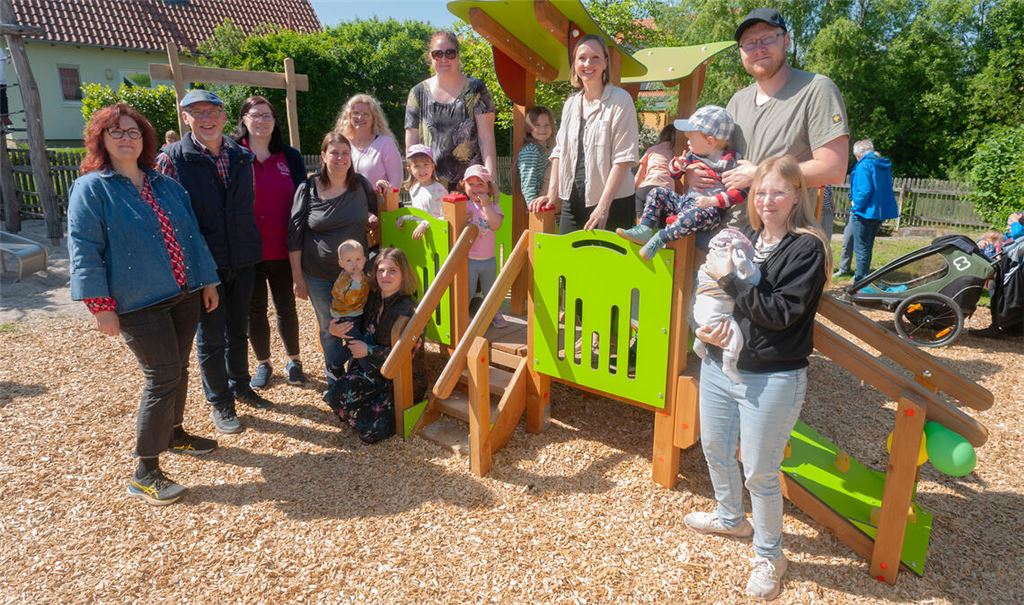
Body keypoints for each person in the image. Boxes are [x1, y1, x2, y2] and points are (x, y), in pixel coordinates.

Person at [686, 155, 831, 601]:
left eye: (779, 192)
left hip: (772, 376)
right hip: (719, 364)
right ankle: (731, 517)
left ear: (796, 197)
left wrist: (730, 281)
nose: (768, 201)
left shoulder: (807, 247)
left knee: (761, 473)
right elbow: (715, 292)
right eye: (761, 192)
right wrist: (706, 329)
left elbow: (780, 314)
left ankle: (771, 555)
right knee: (714, 447)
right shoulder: (744, 237)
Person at [68, 103, 220, 505]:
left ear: (144, 140)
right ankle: (145, 470)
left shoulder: (164, 184)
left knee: (179, 367)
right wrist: (100, 303)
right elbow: (84, 248)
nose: (125, 138)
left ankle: (174, 433)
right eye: (116, 131)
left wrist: (207, 279)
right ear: (101, 138)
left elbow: (191, 234)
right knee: (162, 377)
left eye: (133, 132)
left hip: (183, 294)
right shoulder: (92, 188)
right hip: (138, 302)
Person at [156, 89, 268, 435]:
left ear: (223, 116)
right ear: (185, 117)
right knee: (211, 338)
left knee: (239, 329)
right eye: (197, 112)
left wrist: (250, 253)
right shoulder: (173, 159)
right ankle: (220, 401)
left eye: (212, 112)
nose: (206, 119)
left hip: (243, 258)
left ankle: (240, 384)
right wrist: (199, 273)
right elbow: (171, 222)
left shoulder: (240, 156)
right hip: (206, 267)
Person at [703, 8, 849, 232]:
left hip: (788, 239)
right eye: (749, 43)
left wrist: (760, 174)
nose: (758, 49)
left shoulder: (816, 89)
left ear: (786, 41)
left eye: (767, 39)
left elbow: (833, 169)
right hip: (731, 233)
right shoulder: (737, 101)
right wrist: (697, 174)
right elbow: (721, 161)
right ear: (741, 52)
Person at [289, 132, 379, 388]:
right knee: (330, 327)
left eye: (345, 153)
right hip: (318, 274)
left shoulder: (360, 185)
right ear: (323, 156)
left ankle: (357, 370)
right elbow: (294, 235)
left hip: (355, 274)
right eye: (334, 153)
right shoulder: (308, 188)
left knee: (356, 322)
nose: (340, 158)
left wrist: (374, 214)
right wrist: (297, 277)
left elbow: (378, 211)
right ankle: (334, 373)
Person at [232, 95, 308, 390]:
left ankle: (294, 360)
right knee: (255, 310)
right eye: (256, 115)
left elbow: (304, 200)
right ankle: (263, 363)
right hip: (248, 250)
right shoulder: (234, 154)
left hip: (283, 247)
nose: (262, 121)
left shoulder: (289, 157)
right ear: (244, 119)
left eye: (268, 116)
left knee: (286, 306)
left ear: (275, 122)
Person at [527, 34, 640, 233]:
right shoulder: (571, 104)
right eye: (582, 58)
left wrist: (603, 207)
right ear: (575, 64)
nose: (588, 63)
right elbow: (559, 152)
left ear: (605, 62)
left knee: (605, 264)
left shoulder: (620, 100)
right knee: (570, 261)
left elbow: (623, 158)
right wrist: (552, 195)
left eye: (595, 57)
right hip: (573, 199)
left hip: (613, 203)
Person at [326, 247, 427, 443]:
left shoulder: (412, 310)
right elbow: (349, 319)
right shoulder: (370, 298)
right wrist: (334, 329)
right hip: (370, 370)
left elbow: (407, 355)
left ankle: (366, 414)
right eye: (381, 270)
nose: (385, 275)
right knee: (336, 394)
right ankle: (361, 410)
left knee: (370, 432)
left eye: (392, 271)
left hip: (399, 379)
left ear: (403, 274)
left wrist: (368, 350)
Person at [618, 106, 746, 260]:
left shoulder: (729, 162)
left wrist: (713, 201)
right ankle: (645, 228)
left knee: (694, 215)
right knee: (657, 192)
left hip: (709, 211)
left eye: (691, 137)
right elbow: (674, 174)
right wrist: (676, 165)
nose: (687, 141)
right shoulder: (693, 155)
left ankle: (660, 238)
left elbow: (739, 193)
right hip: (686, 202)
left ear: (710, 142)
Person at [405, 30, 497, 188]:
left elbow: (486, 139)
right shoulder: (417, 93)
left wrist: (491, 181)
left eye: (450, 53)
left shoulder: (476, 89)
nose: (444, 59)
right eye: (437, 54)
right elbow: (412, 143)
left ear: (458, 55)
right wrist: (414, 180)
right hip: (431, 187)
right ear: (430, 57)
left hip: (471, 187)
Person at [691, 227, 760, 384]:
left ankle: (699, 342)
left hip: (700, 309)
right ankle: (729, 363)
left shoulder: (708, 261)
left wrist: (696, 330)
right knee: (735, 338)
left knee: (707, 324)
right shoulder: (734, 258)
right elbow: (749, 276)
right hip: (720, 313)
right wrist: (754, 271)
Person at [834, 139, 898, 282]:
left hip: (864, 212)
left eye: (856, 155)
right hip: (878, 213)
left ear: (859, 153)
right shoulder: (881, 164)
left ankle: (860, 279)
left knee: (861, 247)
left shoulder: (864, 165)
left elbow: (864, 191)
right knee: (867, 246)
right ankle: (864, 276)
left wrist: (855, 207)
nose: (856, 158)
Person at [461, 164, 506, 328]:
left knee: (490, 289)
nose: (475, 188)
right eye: (470, 184)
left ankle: (495, 312)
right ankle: (463, 314)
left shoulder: (493, 206)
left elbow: (495, 225)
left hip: (489, 259)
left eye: (480, 184)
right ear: (464, 186)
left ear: (488, 187)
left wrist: (486, 206)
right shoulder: (464, 206)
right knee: (468, 290)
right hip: (470, 259)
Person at [335, 93, 404, 192]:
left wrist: (386, 190)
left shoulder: (385, 143)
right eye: (356, 113)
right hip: (347, 205)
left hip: (377, 205)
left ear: (374, 118)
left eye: (366, 114)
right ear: (349, 117)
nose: (360, 117)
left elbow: (395, 184)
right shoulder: (343, 144)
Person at [329, 239, 371, 374]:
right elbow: (350, 300)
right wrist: (357, 283)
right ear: (341, 263)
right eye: (349, 261)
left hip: (356, 313)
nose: (354, 264)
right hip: (345, 316)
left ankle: (334, 365)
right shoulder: (344, 279)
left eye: (358, 259)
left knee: (353, 342)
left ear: (365, 260)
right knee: (356, 343)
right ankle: (368, 372)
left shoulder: (360, 275)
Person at [397, 143, 448, 239]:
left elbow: (445, 216)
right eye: (417, 166)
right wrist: (405, 218)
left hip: (436, 237)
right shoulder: (414, 189)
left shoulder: (439, 190)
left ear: (432, 166)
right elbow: (417, 213)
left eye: (426, 164)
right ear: (409, 169)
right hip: (420, 238)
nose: (422, 170)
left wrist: (425, 224)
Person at [632, 124, 676, 218]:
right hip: (665, 191)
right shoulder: (676, 151)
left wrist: (633, 191)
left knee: (640, 225)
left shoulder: (652, 150)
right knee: (663, 226)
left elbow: (639, 174)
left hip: (646, 188)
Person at [517, 105, 555, 205]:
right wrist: (532, 203)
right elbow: (527, 179)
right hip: (538, 200)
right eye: (537, 125)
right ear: (529, 128)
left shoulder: (548, 148)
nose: (542, 129)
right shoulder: (531, 150)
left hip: (547, 196)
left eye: (547, 125)